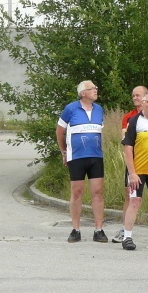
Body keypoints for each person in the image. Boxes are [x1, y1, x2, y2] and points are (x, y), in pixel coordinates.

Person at [56, 80, 107, 243]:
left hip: (96, 157)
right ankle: (75, 229)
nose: (96, 90)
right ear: (83, 93)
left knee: (98, 192)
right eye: (92, 89)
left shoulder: (99, 109)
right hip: (76, 157)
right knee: (77, 192)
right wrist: (64, 151)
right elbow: (60, 131)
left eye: (96, 88)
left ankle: (99, 230)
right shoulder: (70, 109)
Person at [120, 91, 148, 250]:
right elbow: (128, 148)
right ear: (143, 102)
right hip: (137, 170)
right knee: (135, 201)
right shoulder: (135, 120)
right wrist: (131, 173)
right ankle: (127, 237)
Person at [112, 85, 147, 244]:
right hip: (134, 161)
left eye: (138, 95)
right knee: (129, 194)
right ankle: (125, 229)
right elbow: (125, 140)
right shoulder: (129, 117)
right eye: (133, 95)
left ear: (145, 97)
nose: (135, 98)